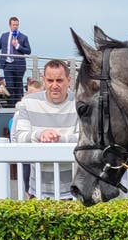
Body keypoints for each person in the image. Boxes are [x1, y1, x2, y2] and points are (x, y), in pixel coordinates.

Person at [12, 60, 78, 199]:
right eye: (50, 80)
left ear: (68, 80)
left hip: (73, 190)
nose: (54, 85)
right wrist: (40, 134)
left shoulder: (80, 103)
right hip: (37, 189)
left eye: (59, 80)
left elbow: (86, 139)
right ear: (44, 80)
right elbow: (19, 137)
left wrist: (58, 138)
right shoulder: (28, 102)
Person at [0, 16, 31, 105]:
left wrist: (18, 46)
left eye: (17, 25)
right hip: (7, 64)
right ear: (10, 25)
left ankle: (19, 106)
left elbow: (28, 51)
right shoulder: (4, 36)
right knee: (10, 86)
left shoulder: (23, 37)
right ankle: (11, 106)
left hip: (19, 65)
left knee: (18, 86)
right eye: (13, 25)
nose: (15, 26)